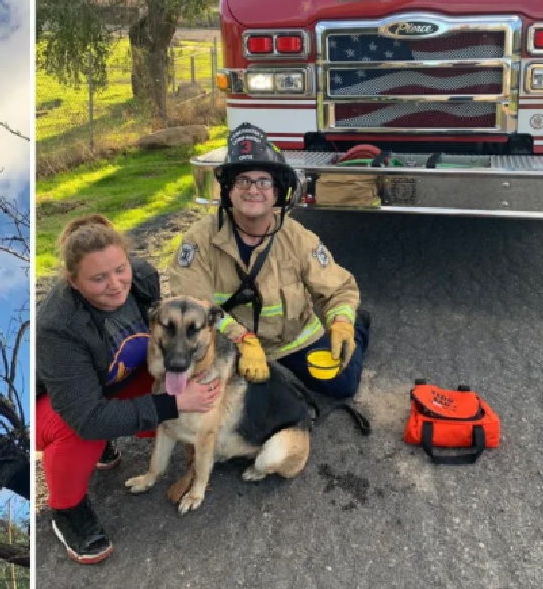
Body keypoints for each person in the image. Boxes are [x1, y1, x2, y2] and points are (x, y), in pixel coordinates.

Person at [36, 214, 220, 565]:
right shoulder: (58, 326)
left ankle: (108, 442)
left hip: (111, 379)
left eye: (120, 269)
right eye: (98, 278)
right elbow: (86, 417)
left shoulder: (143, 278)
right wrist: (171, 403)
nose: (116, 284)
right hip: (55, 405)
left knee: (183, 404)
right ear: (74, 282)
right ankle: (67, 511)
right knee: (80, 429)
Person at [168, 122, 371, 399]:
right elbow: (190, 307)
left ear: (277, 192)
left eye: (263, 181)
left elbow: (339, 288)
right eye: (242, 180)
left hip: (292, 340)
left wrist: (342, 322)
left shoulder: (297, 236)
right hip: (232, 346)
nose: (253, 189)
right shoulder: (198, 241)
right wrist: (243, 339)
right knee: (223, 403)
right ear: (228, 191)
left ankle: (359, 328)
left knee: (342, 385)